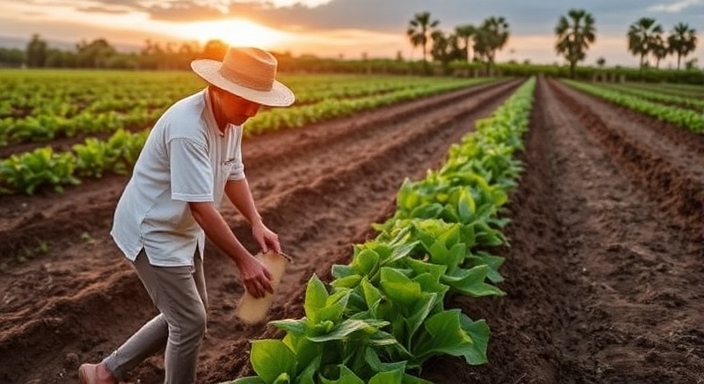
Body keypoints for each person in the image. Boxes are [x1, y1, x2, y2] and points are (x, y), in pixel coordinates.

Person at [78, 46, 295, 384]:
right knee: (189, 321)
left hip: (183, 229)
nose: (253, 110)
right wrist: (244, 260)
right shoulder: (187, 128)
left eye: (259, 101)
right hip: (153, 230)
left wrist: (256, 221)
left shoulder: (232, 116)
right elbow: (202, 207)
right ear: (221, 88)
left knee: (186, 314)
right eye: (246, 99)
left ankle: (105, 372)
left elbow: (233, 172)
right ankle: (110, 372)